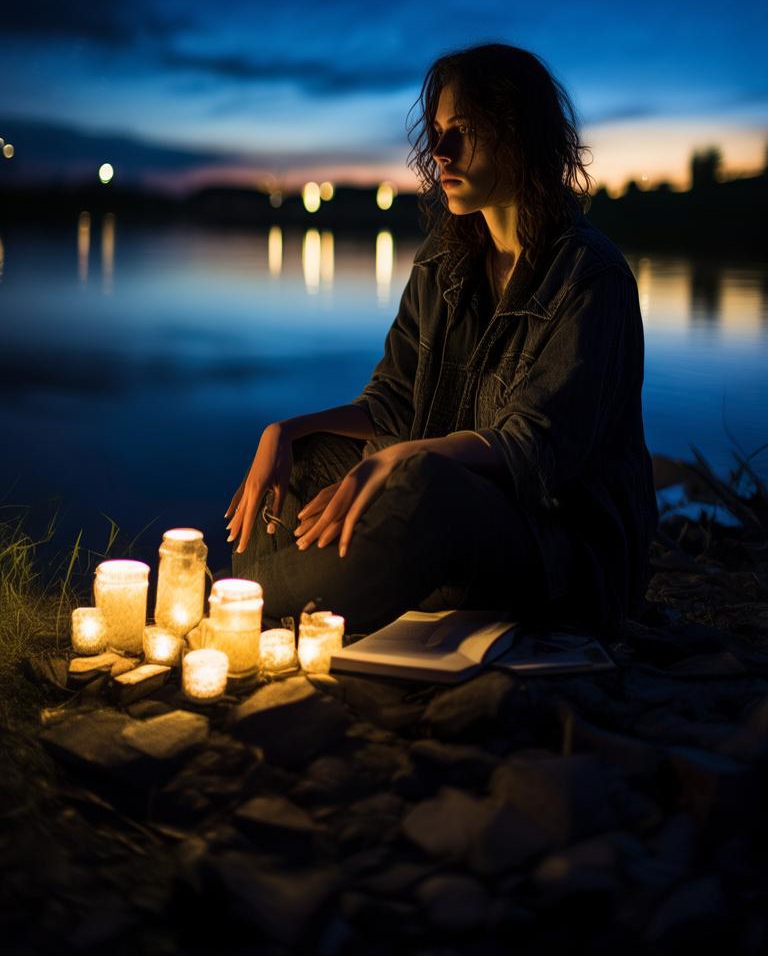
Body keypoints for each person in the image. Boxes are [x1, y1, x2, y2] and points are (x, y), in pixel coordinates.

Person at [226, 42, 658, 640]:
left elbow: (533, 449)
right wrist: (288, 431)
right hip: (454, 515)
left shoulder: (591, 278)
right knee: (300, 466)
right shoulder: (442, 265)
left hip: (561, 553)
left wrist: (400, 457)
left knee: (425, 484)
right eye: (437, 131)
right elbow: (393, 402)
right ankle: (297, 598)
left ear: (523, 136)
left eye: (466, 131)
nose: (440, 152)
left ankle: (253, 604)